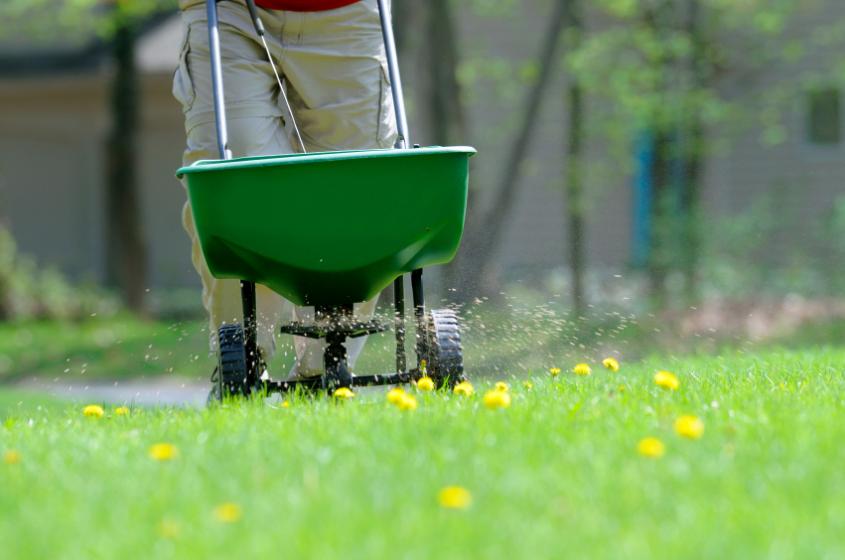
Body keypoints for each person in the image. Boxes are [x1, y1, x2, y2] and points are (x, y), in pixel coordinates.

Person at [172, 0, 396, 379]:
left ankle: (323, 367)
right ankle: (242, 358)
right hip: (228, 9)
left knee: (355, 188)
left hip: (347, 12)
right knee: (234, 175)